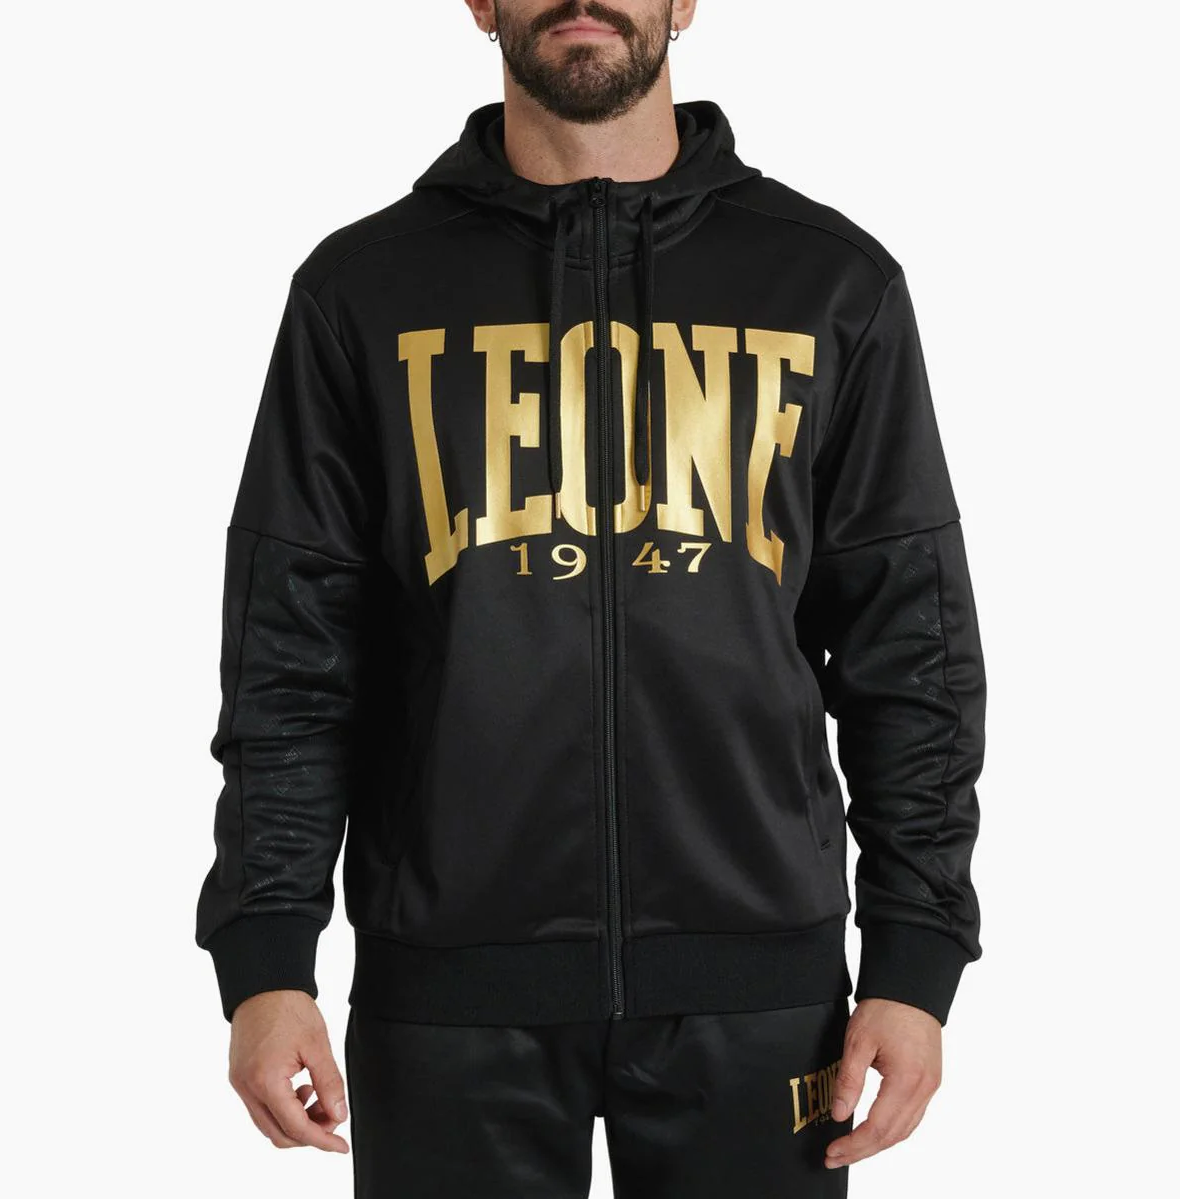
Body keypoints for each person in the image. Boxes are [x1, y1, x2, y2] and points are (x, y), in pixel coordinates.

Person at [194, 2, 987, 1194]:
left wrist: (913, 957)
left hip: (759, 987)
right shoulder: (361, 290)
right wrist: (266, 960)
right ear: (480, 2)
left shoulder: (827, 281)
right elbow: (290, 658)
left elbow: (908, 649)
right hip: (448, 990)